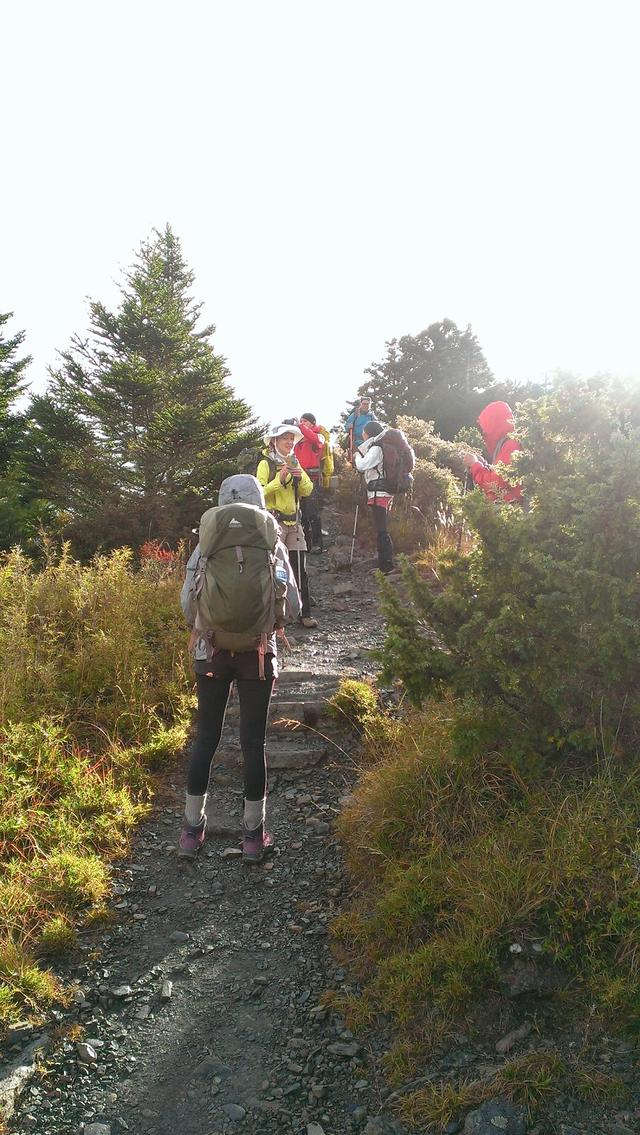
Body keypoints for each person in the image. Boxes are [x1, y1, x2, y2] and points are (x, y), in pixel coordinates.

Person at [178, 474, 301, 864]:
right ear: (259, 502)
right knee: (253, 744)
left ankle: (191, 831)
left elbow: (187, 606)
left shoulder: (206, 544)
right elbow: (293, 607)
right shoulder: (271, 543)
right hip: (259, 655)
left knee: (206, 739)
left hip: (209, 652)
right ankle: (252, 835)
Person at [257, 423, 318, 628]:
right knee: (275, 568)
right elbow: (259, 492)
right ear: (275, 441)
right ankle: (275, 615)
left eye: (292, 439)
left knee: (300, 568)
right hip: (274, 523)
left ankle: (304, 612)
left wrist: (298, 477)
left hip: (295, 523)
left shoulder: (295, 462)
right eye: (285, 438)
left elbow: (308, 489)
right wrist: (279, 479)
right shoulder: (265, 464)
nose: (290, 442)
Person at [354, 419, 395, 574]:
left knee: (382, 529)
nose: (362, 434)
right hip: (383, 491)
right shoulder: (381, 446)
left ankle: (386, 565)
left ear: (369, 433)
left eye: (364, 432)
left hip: (379, 493)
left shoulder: (376, 447)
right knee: (381, 528)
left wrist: (357, 456)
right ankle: (384, 563)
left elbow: (363, 465)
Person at [463, 401, 523, 503]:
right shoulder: (509, 443)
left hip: (515, 513)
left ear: (493, 423)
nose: (483, 433)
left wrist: (474, 465)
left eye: (485, 427)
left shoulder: (512, 445)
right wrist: (483, 464)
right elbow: (500, 478)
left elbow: (495, 485)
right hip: (515, 511)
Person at [294, 412, 325, 552]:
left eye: (305, 421)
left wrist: (299, 426)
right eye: (301, 421)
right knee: (302, 514)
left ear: (312, 423)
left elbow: (314, 439)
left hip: (312, 479)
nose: (302, 424)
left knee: (312, 512)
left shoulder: (319, 436)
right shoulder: (297, 439)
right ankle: (306, 544)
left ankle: (318, 544)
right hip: (298, 478)